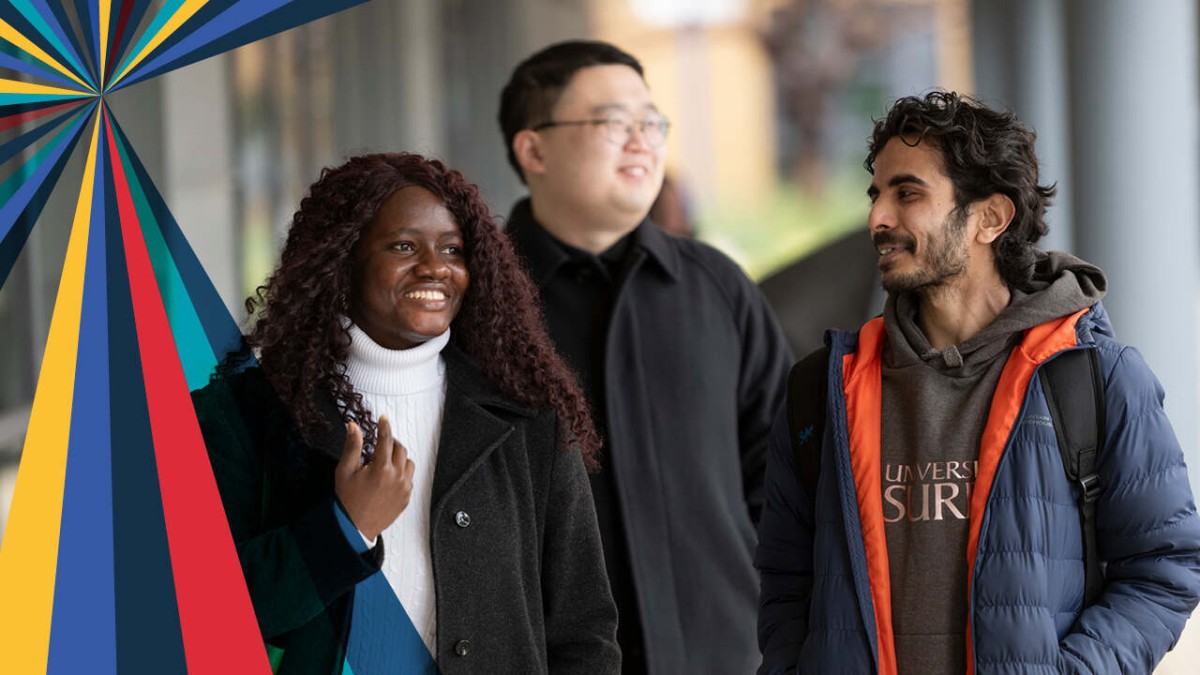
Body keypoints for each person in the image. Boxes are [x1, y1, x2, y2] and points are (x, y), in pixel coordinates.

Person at [755, 90, 1200, 674]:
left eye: (907, 193)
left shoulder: (1095, 375)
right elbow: (787, 580)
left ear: (990, 218)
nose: (877, 218)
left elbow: (1164, 566)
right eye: (877, 194)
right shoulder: (822, 387)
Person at [193, 152, 620, 674]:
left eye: (452, 250)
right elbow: (200, 609)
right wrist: (345, 529)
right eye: (403, 246)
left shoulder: (528, 420)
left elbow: (584, 630)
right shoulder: (240, 414)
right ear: (342, 259)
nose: (435, 268)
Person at [498, 40, 794, 674]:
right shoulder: (479, 306)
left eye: (651, 121)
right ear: (534, 149)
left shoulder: (718, 288)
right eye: (613, 122)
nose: (642, 140)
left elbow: (785, 473)